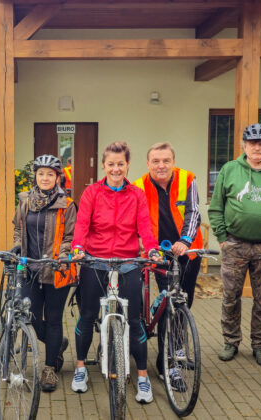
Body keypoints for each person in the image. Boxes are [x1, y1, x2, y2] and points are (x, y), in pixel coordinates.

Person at [70, 141, 162, 404]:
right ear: (103, 165)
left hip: (128, 262)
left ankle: (142, 377)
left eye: (120, 164)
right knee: (87, 316)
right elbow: (82, 224)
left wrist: (152, 249)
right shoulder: (91, 193)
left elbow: (144, 225)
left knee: (134, 320)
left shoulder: (137, 194)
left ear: (127, 165)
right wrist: (78, 247)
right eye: (111, 164)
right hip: (96, 261)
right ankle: (80, 369)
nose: (115, 169)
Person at [208, 123, 261, 367]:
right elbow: (216, 207)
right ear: (243, 145)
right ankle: (231, 342)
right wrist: (223, 238)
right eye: (252, 143)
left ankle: (260, 345)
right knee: (231, 297)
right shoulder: (230, 169)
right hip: (235, 244)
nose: (257, 147)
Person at [132, 142, 203, 389]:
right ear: (148, 163)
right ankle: (167, 365)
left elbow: (194, 212)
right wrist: (149, 247)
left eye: (166, 160)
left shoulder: (187, 179)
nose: (161, 165)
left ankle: (178, 347)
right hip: (159, 253)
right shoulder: (139, 185)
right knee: (169, 305)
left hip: (188, 250)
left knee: (184, 303)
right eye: (155, 161)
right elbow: (137, 219)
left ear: (173, 161)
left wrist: (184, 240)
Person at [12, 154, 78, 392]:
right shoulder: (25, 200)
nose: (45, 178)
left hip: (57, 270)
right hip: (30, 267)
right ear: (36, 176)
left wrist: (62, 253)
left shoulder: (67, 204)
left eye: (50, 174)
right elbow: (18, 228)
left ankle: (50, 368)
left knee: (53, 319)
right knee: (28, 315)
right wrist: (17, 245)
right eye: (41, 173)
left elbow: (71, 237)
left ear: (58, 177)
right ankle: (57, 344)